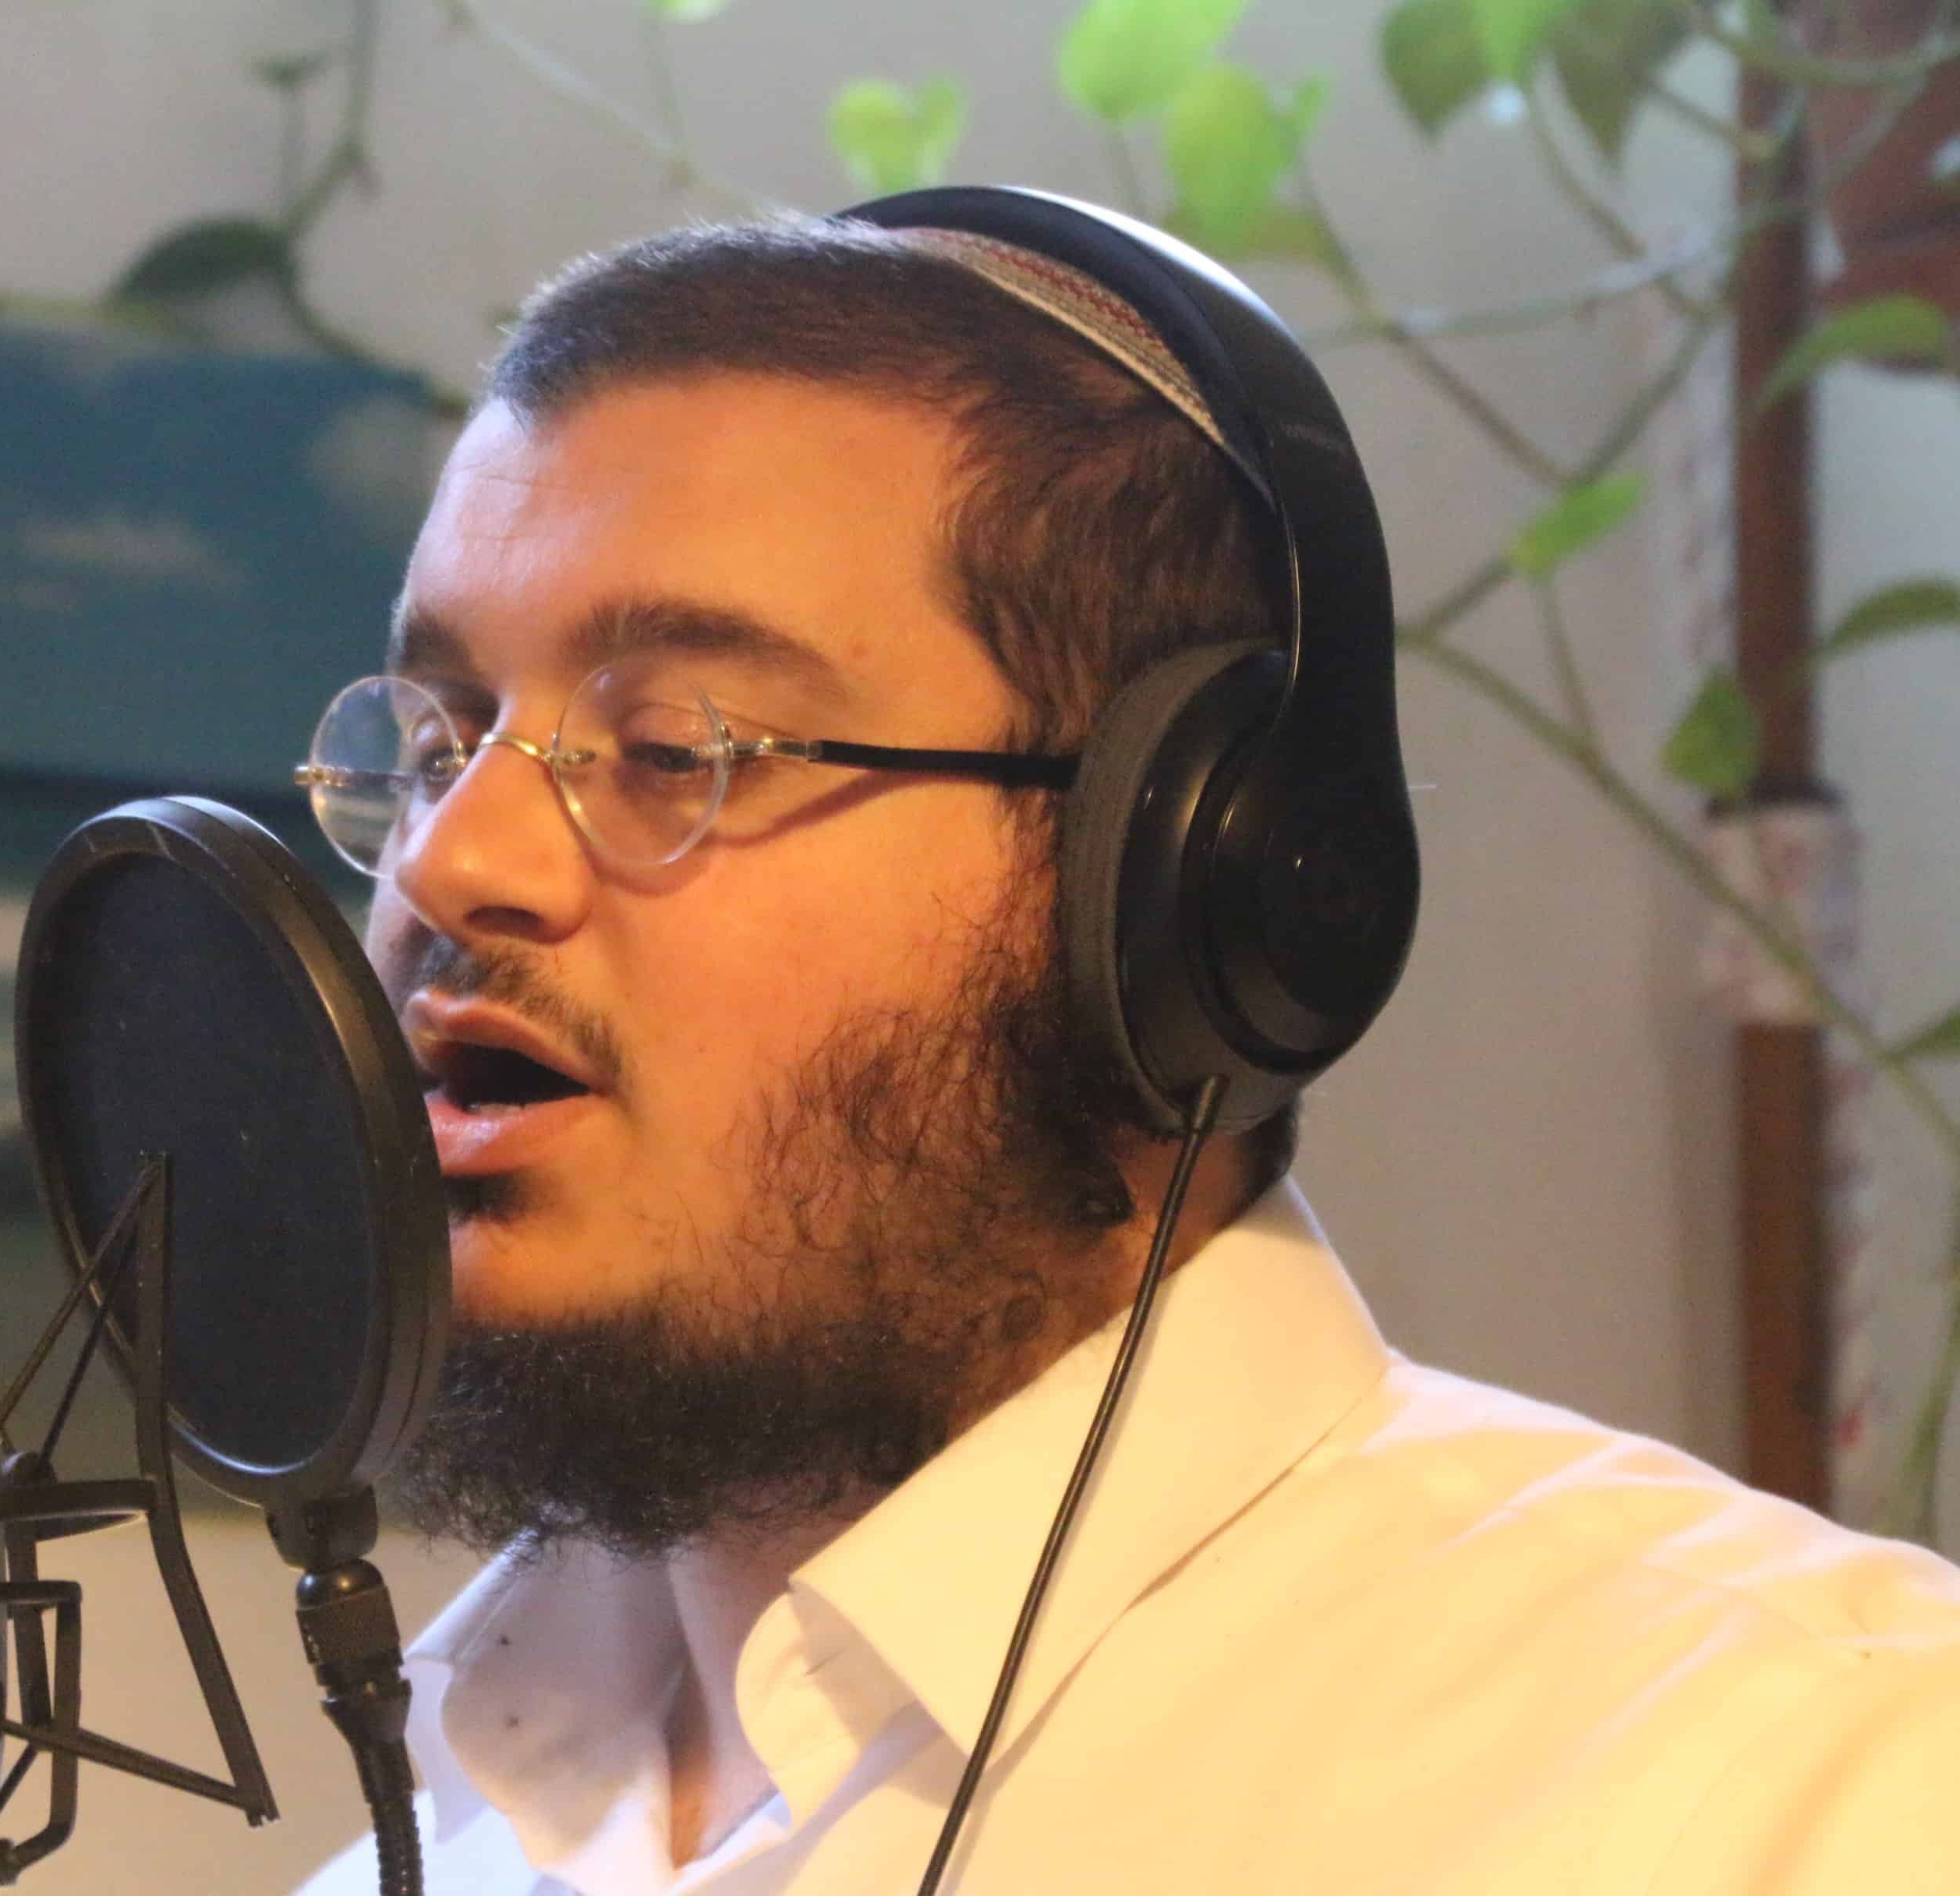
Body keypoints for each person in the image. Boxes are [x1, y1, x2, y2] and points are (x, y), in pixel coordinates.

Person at [292, 200, 1960, 1894]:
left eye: (674, 748)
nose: (451, 860)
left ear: (1171, 897)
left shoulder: (1807, 1781)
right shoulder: (426, 1854)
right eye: (437, 746)